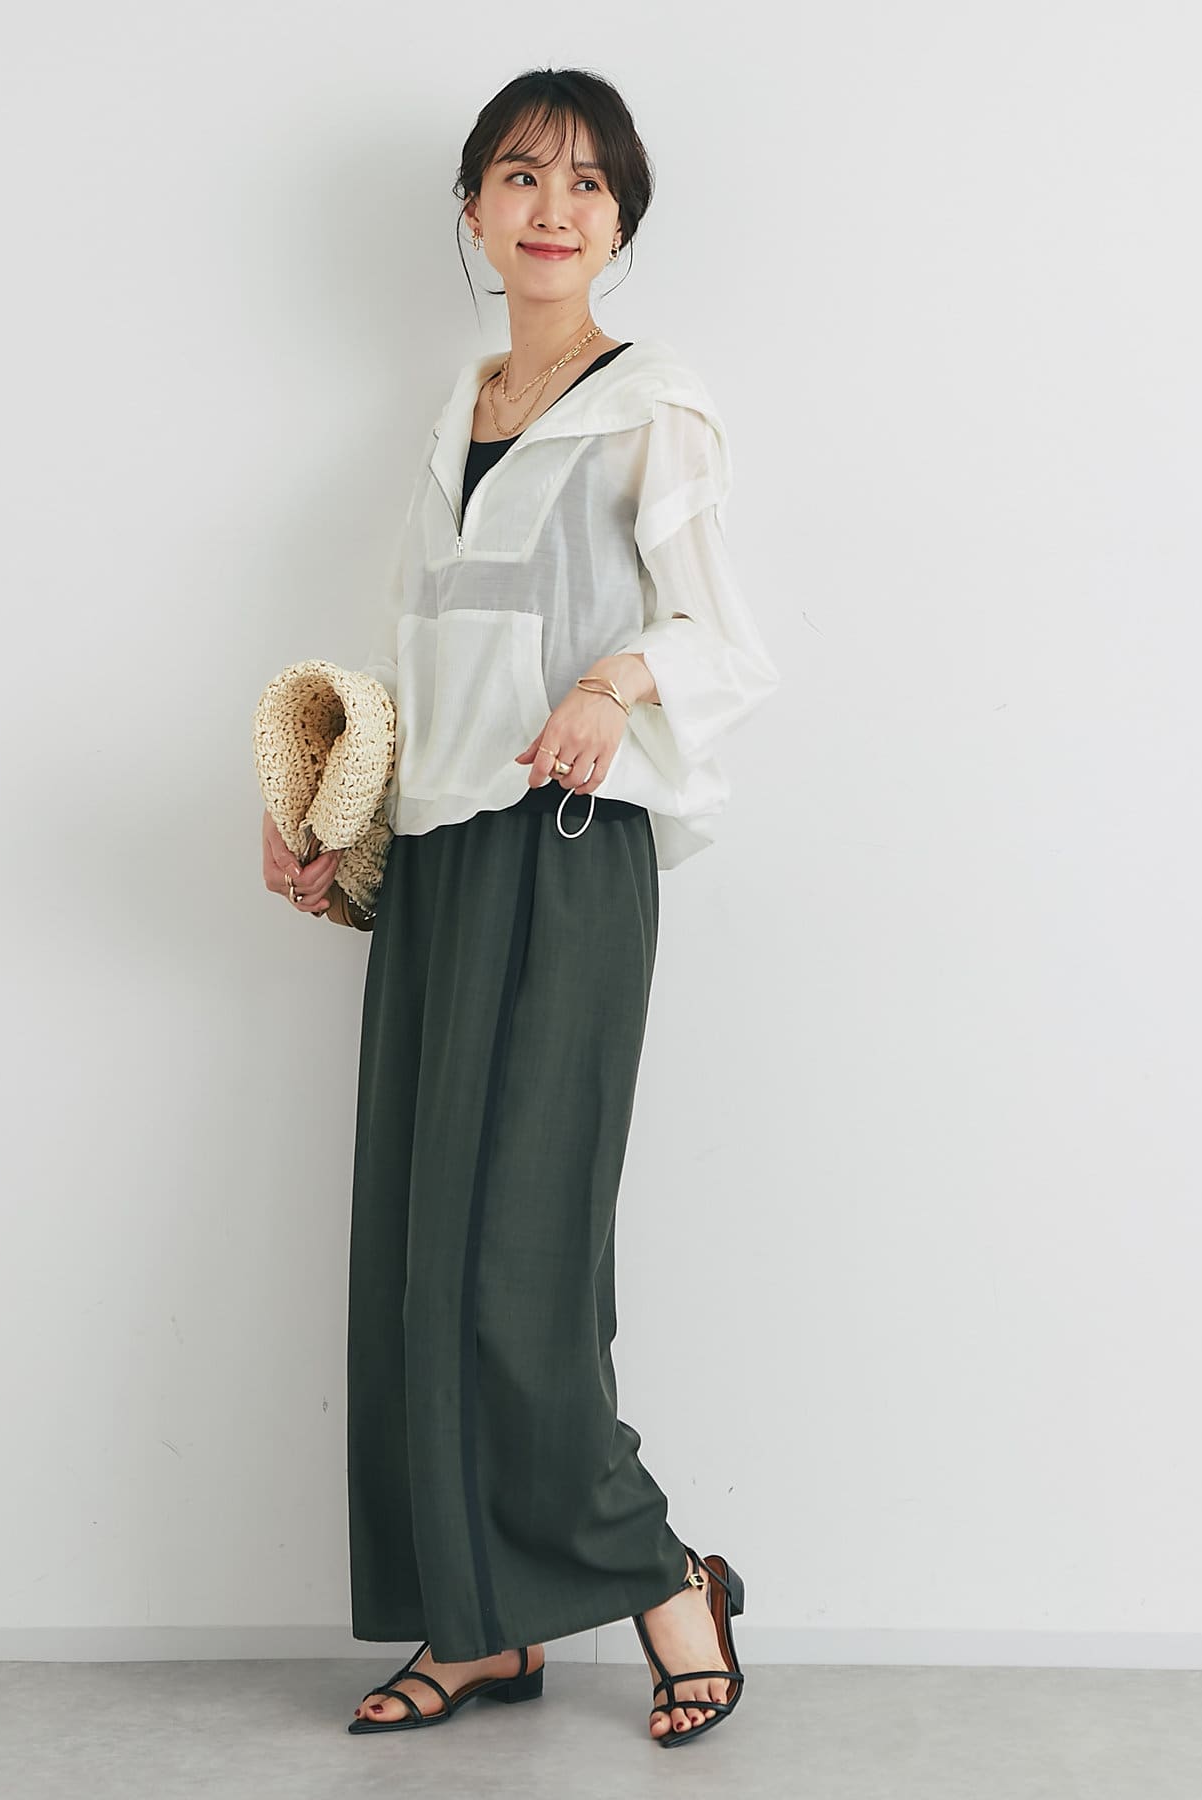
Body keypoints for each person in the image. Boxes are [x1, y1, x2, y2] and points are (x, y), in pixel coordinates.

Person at [260, 66, 777, 1747]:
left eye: (588, 182)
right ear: (475, 211)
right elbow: (423, 653)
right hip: (444, 858)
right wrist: (332, 811)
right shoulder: (456, 412)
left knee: (520, 1267)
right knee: (422, 1257)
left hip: (567, 850)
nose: (553, 207)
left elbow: (725, 637)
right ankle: (478, 1628)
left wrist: (615, 685)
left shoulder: (655, 406)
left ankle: (668, 1583)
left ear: (622, 221)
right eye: (521, 175)